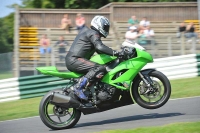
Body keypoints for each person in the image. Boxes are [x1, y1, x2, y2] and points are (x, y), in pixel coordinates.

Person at [65, 16, 120, 101]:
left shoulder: (89, 32)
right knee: (99, 68)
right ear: (99, 24)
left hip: (73, 59)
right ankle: (78, 87)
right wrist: (116, 53)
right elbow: (100, 47)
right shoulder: (93, 33)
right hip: (74, 59)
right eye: (105, 27)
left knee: (100, 68)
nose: (106, 29)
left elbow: (100, 51)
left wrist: (114, 55)